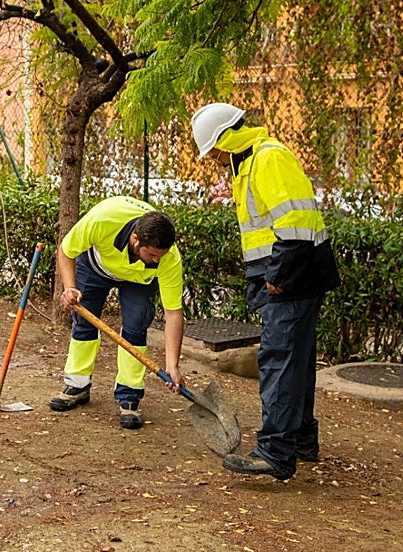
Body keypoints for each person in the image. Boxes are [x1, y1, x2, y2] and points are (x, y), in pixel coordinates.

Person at [190, 102, 340, 481]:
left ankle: (275, 452)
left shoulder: (267, 158)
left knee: (279, 361)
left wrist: (278, 274)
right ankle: (300, 439)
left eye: (213, 151)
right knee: (297, 360)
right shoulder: (249, 163)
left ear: (225, 139)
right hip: (291, 274)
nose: (214, 160)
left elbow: (296, 221)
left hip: (291, 275)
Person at [52, 198, 186, 429]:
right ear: (136, 239)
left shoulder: (168, 258)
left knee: (136, 326)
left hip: (138, 280)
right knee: (84, 322)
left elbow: (173, 313)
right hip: (95, 266)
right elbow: (66, 250)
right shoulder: (103, 220)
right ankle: (77, 384)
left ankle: (129, 395)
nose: (157, 260)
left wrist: (172, 365)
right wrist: (70, 287)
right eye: (152, 255)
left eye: (160, 256)